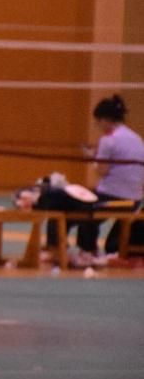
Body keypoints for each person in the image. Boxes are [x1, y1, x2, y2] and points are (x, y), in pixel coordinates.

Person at [48, 95, 144, 265]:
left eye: (98, 122)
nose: (98, 127)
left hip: (112, 198)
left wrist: (92, 159)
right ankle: (88, 249)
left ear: (104, 119)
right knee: (88, 203)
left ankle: (64, 249)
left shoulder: (108, 140)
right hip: (135, 200)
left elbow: (102, 170)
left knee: (67, 207)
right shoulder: (137, 139)